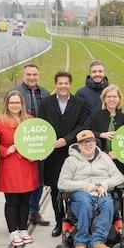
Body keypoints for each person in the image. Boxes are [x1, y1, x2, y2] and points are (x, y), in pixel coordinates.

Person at [57, 130, 124, 248]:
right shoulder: (71, 161)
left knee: (108, 203)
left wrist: (105, 184)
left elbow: (119, 177)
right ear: (78, 145)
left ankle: (98, 241)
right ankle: (80, 242)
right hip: (81, 193)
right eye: (84, 143)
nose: (88, 145)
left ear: (95, 142)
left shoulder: (104, 157)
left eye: (90, 141)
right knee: (85, 203)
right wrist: (84, 185)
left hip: (101, 192)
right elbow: (62, 183)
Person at [41, 71, 89, 237]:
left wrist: (67, 139)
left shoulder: (80, 103)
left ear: (70, 84)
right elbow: (41, 125)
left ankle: (74, 221)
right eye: (60, 83)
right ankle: (59, 222)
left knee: (74, 190)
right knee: (56, 191)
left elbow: (82, 125)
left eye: (66, 83)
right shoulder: (45, 103)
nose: (63, 86)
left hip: (72, 154)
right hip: (53, 155)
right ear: (56, 85)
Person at [0, 90, 40, 246]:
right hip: (10, 166)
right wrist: (6, 150)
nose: (15, 105)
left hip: (27, 165)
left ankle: (23, 228)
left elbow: (37, 141)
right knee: (12, 200)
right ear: (7, 104)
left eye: (17, 102)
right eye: (12, 102)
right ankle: (13, 231)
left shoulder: (29, 120)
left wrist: (37, 153)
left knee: (25, 199)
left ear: (22, 104)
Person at [14, 64, 51, 229]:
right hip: (22, 144)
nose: (31, 77)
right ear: (24, 75)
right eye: (28, 74)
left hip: (41, 144)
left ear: (38, 75)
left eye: (34, 74)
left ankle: (34, 211)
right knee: (23, 179)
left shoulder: (45, 93)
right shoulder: (16, 93)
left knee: (39, 179)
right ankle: (21, 211)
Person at [84, 84, 124, 178]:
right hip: (99, 159)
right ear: (104, 99)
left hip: (119, 161)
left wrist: (118, 153)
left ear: (119, 99)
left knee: (118, 188)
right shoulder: (95, 116)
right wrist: (101, 134)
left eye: (114, 96)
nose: (111, 99)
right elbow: (84, 131)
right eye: (109, 96)